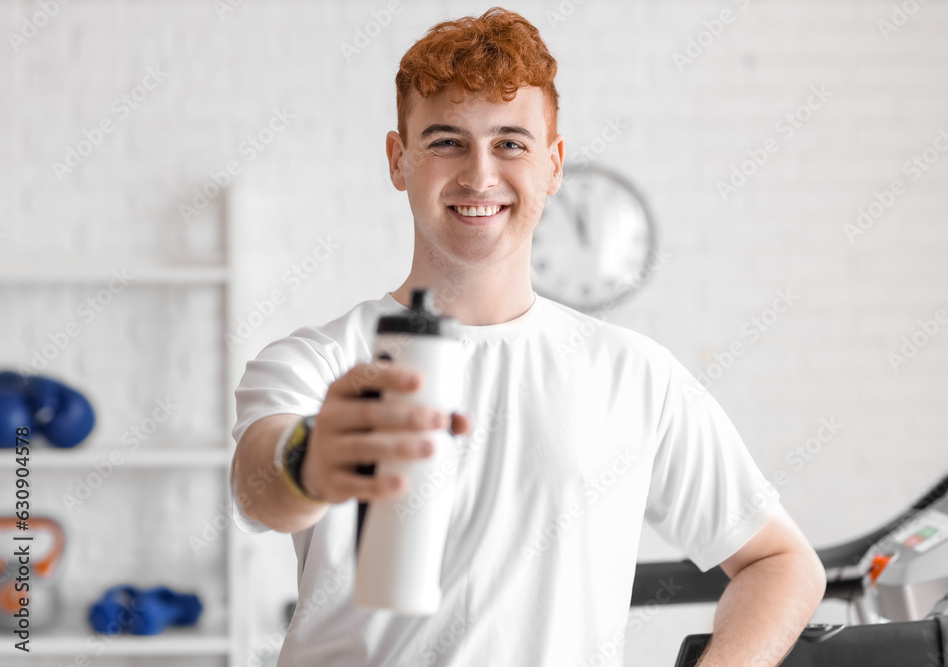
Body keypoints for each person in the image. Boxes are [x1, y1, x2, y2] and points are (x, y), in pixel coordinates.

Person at [229, 7, 826, 666]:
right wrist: (311, 459)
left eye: (510, 142)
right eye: (446, 141)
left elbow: (781, 561)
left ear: (553, 164)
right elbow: (260, 488)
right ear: (400, 161)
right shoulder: (320, 362)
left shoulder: (633, 375)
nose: (480, 176)